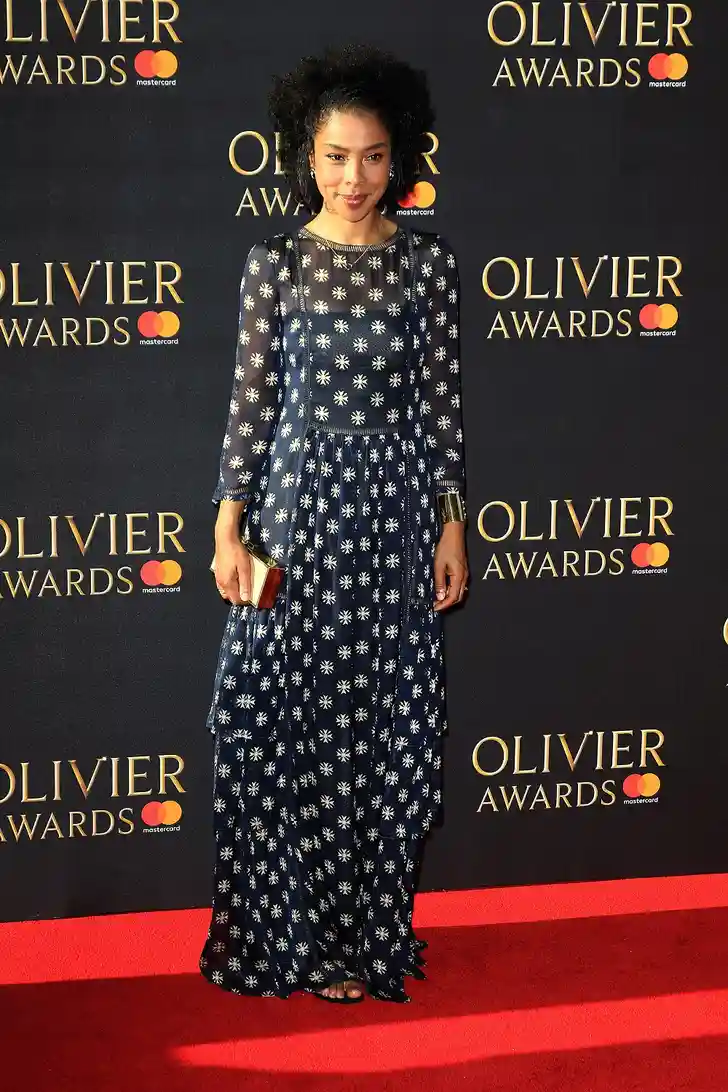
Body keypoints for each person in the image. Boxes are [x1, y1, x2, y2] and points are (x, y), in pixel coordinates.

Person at [199, 43, 468, 1005]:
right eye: (336, 156)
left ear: (401, 157)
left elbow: (440, 410)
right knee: (287, 725)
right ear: (305, 157)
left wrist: (451, 524)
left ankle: (362, 937)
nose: (355, 178)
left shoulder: (428, 265)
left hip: (393, 523)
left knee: (379, 730)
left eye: (374, 156)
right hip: (296, 518)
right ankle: (293, 937)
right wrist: (227, 530)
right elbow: (251, 407)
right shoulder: (275, 263)